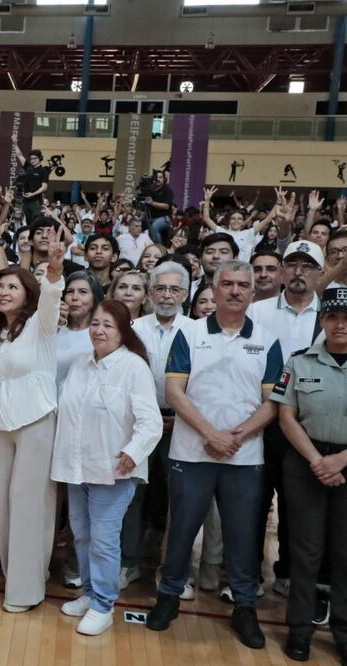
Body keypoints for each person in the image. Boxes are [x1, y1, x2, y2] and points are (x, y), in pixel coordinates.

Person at [147, 260, 283, 650]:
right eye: (227, 283)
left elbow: (272, 402)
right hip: (191, 453)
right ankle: (169, 597)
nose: (235, 291)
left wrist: (233, 437)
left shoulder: (268, 340)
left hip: (243, 457)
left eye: (243, 285)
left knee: (242, 537)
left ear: (253, 293)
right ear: (214, 288)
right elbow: (175, 393)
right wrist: (211, 434)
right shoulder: (189, 335)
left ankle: (244, 607)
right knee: (181, 533)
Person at [54, 300, 162, 636]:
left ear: (123, 331)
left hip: (112, 470)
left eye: (108, 326)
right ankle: (89, 592)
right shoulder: (80, 364)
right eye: (95, 324)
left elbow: (151, 422)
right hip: (76, 468)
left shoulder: (134, 368)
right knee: (82, 536)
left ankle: (103, 603)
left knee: (103, 539)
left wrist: (133, 452)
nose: (99, 331)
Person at [0, 242, 65, 613]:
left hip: (36, 419)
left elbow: (51, 297)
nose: (4, 292)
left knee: (30, 505)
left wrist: (53, 271)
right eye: (0, 287)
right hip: (2, 423)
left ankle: (25, 590)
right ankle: (16, 575)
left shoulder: (41, 324)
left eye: (13, 287)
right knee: (5, 504)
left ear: (27, 293)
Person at [270, 287, 347, 663]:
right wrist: (319, 460)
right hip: (306, 460)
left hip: (346, 462)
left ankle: (343, 631)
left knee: (345, 551)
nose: (340, 325)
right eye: (333, 317)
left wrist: (340, 460)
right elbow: (286, 415)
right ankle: (299, 629)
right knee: (306, 550)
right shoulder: (300, 362)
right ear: (323, 321)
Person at [247, 240, 325, 598]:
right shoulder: (258, 312)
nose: (298, 272)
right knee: (254, 502)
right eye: (292, 264)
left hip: (307, 427)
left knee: (297, 506)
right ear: (280, 271)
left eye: (307, 266)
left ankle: (287, 573)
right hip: (262, 423)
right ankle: (247, 573)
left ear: (320, 274)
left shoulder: (331, 317)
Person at [128, 262, 193, 589]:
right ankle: (127, 562)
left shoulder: (196, 330)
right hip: (138, 421)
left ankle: (170, 568)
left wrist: (177, 415)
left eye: (174, 289)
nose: (167, 296)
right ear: (150, 292)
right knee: (132, 494)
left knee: (176, 497)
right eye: (161, 289)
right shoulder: (133, 328)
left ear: (185, 294)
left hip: (180, 422)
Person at [57, 271, 103, 388]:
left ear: (94, 298)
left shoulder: (101, 334)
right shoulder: (53, 331)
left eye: (83, 292)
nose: (74, 298)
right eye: (70, 292)